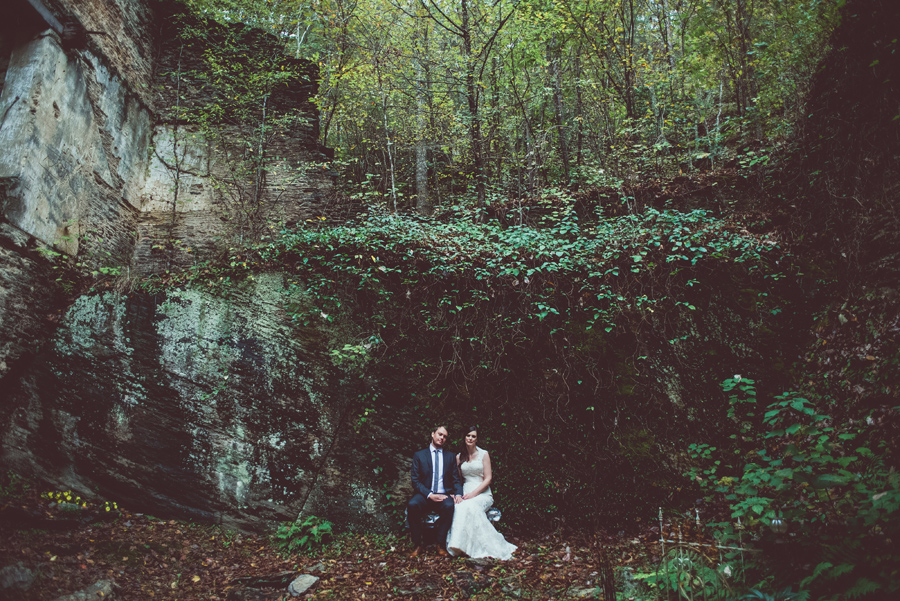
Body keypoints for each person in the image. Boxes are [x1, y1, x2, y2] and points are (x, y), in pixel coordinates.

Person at [446, 426, 517, 560]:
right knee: (459, 506)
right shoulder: (459, 457)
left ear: (477, 439)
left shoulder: (484, 454)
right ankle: (458, 545)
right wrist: (456, 493)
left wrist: (474, 494)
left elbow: (488, 478)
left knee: (471, 507)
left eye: (473, 436)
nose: (470, 438)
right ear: (464, 437)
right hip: (465, 491)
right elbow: (457, 479)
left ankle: (486, 547)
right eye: (468, 435)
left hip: (482, 492)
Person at [408, 425, 463, 557]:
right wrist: (430, 494)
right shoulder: (419, 455)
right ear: (433, 434)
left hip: (443, 495)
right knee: (412, 505)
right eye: (440, 434)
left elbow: (456, 479)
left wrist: (458, 494)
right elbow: (415, 481)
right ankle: (417, 544)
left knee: (450, 506)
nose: (442, 438)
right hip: (425, 495)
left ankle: (440, 544)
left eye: (445, 436)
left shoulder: (450, 457)